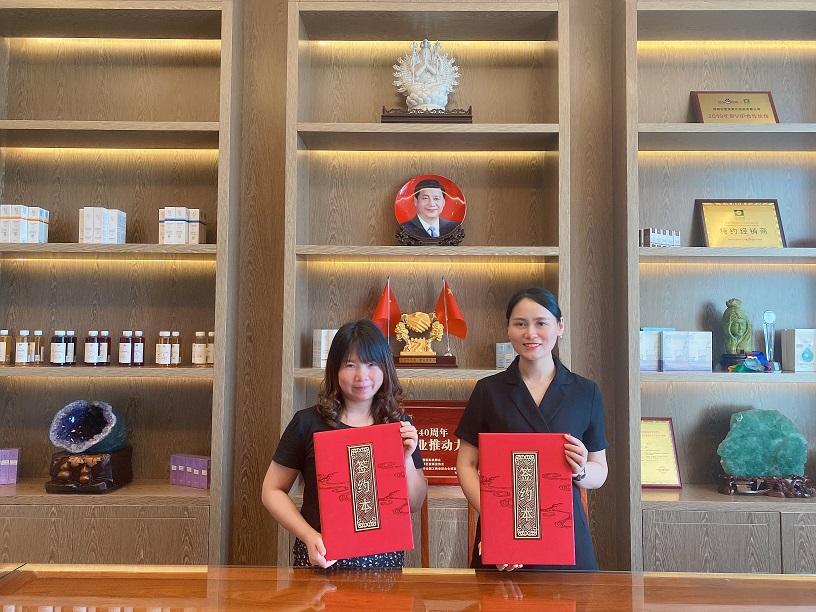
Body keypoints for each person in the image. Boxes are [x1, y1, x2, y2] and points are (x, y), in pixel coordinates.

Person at [455, 287, 608, 571]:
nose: (530, 333)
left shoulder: (585, 392)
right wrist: (497, 521)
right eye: (520, 324)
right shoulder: (488, 391)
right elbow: (466, 465)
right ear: (508, 329)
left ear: (560, 326)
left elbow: (600, 470)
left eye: (541, 323)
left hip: (565, 531)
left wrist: (580, 470)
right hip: (503, 529)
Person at [262, 319, 427, 569]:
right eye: (350, 365)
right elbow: (271, 490)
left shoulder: (399, 426)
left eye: (371, 364)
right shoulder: (307, 422)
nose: (362, 376)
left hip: (383, 564)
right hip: (321, 559)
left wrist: (405, 458)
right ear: (335, 369)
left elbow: (414, 504)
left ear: (385, 368)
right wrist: (309, 536)